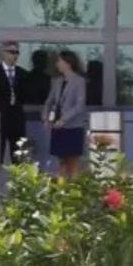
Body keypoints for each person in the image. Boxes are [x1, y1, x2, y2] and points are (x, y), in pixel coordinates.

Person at [44, 50, 89, 179]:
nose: (57, 64)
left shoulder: (79, 81)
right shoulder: (56, 81)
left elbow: (79, 105)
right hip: (58, 127)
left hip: (73, 126)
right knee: (61, 160)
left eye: (59, 61)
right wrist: (46, 118)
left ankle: (73, 186)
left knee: (72, 161)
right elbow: (49, 101)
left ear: (68, 63)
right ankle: (62, 186)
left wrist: (64, 119)